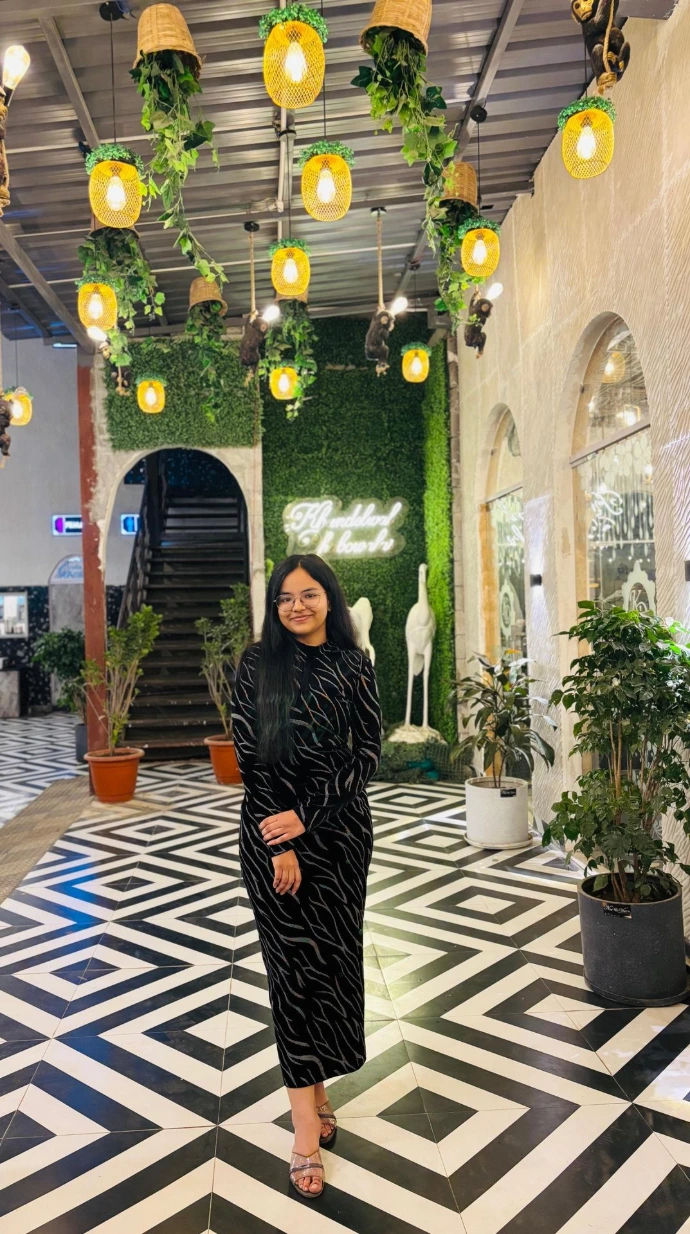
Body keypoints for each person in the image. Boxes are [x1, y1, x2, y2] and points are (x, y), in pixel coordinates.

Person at [231, 554, 381, 1200]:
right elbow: (250, 755)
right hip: (273, 843)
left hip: (341, 841)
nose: (297, 606)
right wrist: (283, 837)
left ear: (329, 599)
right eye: (286, 597)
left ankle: (318, 1094)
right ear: (275, 606)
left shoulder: (353, 665)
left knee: (331, 967)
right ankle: (303, 1133)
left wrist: (310, 815)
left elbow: (367, 753)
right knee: (291, 977)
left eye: (309, 594)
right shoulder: (257, 665)